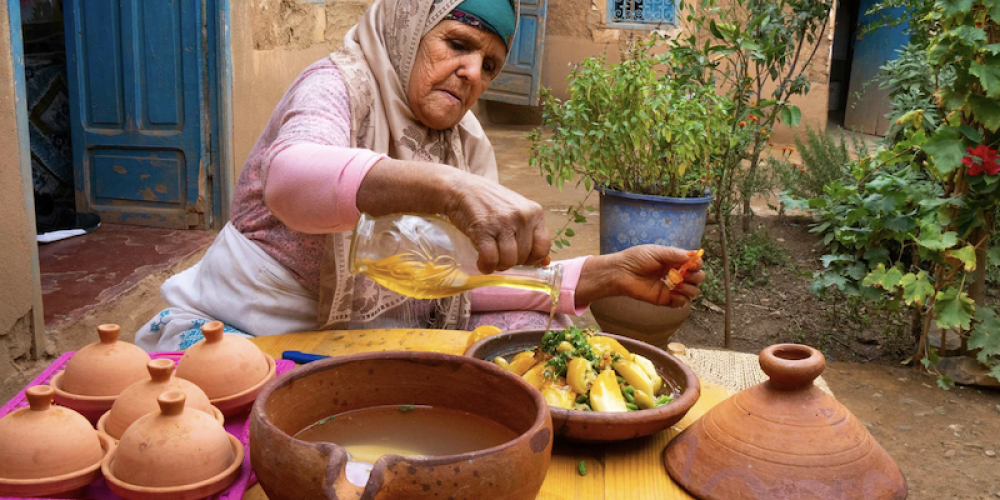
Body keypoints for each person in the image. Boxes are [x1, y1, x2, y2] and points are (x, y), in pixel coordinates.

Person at [134, 0, 704, 351]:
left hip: (354, 343)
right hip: (239, 331)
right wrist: (446, 189)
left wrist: (599, 274)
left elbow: (458, 279)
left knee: (543, 348)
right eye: (457, 44)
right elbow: (290, 181)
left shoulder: (464, 142)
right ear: (409, 25)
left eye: (490, 66)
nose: (472, 75)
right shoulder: (339, 86)